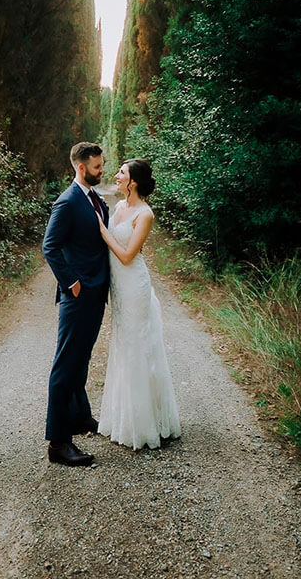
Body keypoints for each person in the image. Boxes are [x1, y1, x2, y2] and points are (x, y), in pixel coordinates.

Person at [95, 158, 181, 450]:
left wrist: (103, 231)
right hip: (119, 289)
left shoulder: (145, 214)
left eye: (121, 173)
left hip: (135, 286)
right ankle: (122, 416)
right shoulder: (119, 207)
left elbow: (129, 255)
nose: (116, 176)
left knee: (137, 347)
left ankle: (145, 424)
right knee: (122, 345)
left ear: (133, 181)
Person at [42, 141, 110, 466]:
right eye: (97, 167)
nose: (102, 171)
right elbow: (49, 247)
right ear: (81, 168)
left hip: (96, 294)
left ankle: (80, 416)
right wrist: (73, 283)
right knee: (64, 366)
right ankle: (58, 442)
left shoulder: (94, 198)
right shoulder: (67, 202)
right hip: (78, 296)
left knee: (82, 359)